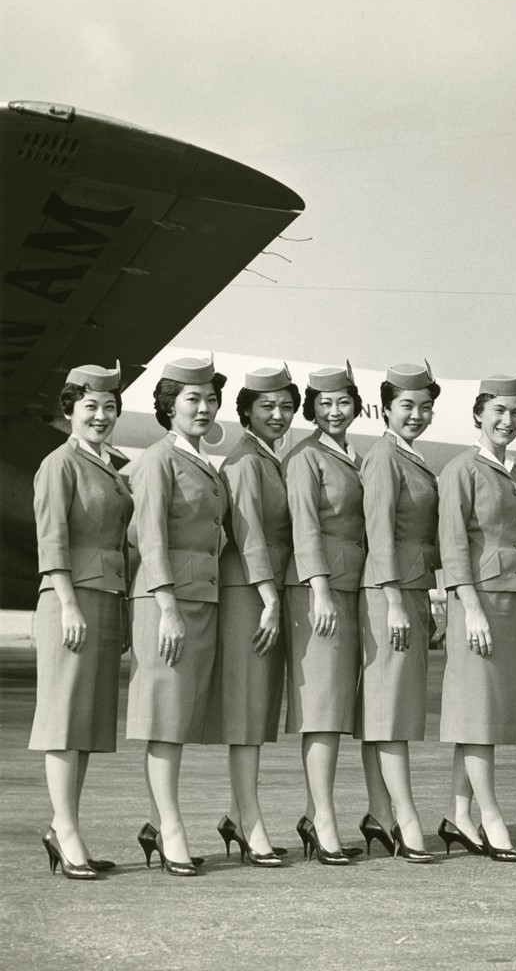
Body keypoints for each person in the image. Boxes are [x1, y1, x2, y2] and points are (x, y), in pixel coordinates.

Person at [126, 355, 228, 877]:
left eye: (211, 399)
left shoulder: (202, 462)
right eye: (193, 399)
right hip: (167, 603)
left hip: (197, 601)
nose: (204, 408)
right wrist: (166, 607)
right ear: (169, 406)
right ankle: (171, 830)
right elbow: (149, 539)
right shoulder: (157, 460)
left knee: (175, 721)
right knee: (164, 721)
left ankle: (155, 823)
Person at [30, 363, 132, 881]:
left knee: (86, 724)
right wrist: (68, 604)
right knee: (64, 721)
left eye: (109, 407)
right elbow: (52, 541)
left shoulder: (109, 465)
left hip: (105, 600)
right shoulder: (59, 464)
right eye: (90, 406)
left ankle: (64, 827)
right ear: (70, 409)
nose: (101, 416)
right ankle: (66, 832)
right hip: (70, 602)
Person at [437, 374, 516, 862]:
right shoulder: (461, 469)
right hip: (479, 605)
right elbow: (453, 546)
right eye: (498, 411)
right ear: (478, 414)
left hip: (512, 603)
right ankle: (490, 815)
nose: (507, 420)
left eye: (515, 412)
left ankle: (459, 814)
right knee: (477, 715)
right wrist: (471, 608)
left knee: (482, 716)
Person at [209, 365, 299, 868]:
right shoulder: (246, 462)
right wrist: (270, 598)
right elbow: (248, 537)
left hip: (264, 592)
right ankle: (250, 820)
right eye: (267, 406)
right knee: (247, 712)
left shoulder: (269, 458)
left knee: (257, 707)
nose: (278, 414)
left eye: (286, 406)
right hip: (250, 593)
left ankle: (234, 814)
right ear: (246, 411)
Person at [355, 363, 441, 864]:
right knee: (392, 711)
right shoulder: (385, 457)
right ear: (386, 408)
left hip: (408, 589)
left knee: (383, 710)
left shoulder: (407, 455)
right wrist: (392, 601)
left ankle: (379, 812)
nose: (416, 415)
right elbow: (380, 531)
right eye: (406, 405)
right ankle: (406, 818)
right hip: (390, 593)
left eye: (425, 407)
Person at [283, 364, 365, 866]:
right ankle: (324, 820)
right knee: (323, 710)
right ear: (311, 408)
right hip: (320, 592)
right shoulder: (305, 458)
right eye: (325, 404)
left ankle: (317, 816)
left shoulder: (350, 455)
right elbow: (305, 527)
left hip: (348, 588)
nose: (335, 412)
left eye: (343, 402)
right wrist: (318, 590)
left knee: (333, 708)